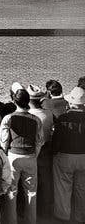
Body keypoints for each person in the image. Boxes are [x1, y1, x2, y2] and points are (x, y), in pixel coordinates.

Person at [0, 88, 43, 224]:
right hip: (30, 156)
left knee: (12, 191)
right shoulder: (36, 119)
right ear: (28, 101)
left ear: (14, 101)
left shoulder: (8, 118)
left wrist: (6, 154)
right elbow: (39, 141)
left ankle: (11, 221)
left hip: (13, 156)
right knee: (31, 192)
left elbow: (4, 140)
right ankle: (31, 221)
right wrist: (35, 154)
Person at [52, 86, 85, 222]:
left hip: (65, 156)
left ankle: (63, 216)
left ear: (71, 103)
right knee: (81, 189)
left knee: (63, 188)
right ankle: (80, 217)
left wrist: (53, 152)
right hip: (83, 157)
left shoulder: (62, 118)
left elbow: (56, 140)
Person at [27, 84, 54, 218]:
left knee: (29, 182)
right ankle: (45, 211)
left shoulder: (29, 115)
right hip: (46, 150)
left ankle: (30, 210)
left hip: (31, 151)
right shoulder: (48, 114)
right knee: (45, 181)